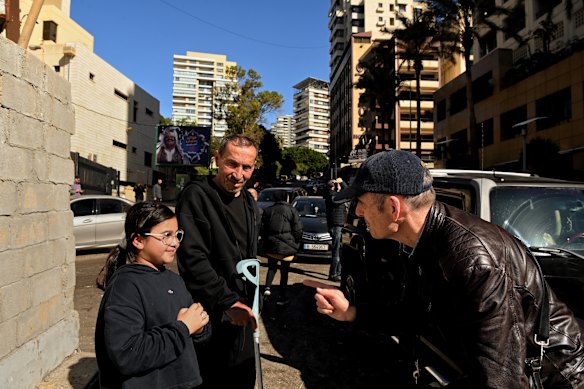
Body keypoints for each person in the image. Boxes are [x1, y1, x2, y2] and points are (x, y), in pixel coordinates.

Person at [305, 150, 584, 388]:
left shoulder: (474, 259)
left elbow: (500, 377)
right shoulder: (426, 239)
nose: (357, 213)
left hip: (555, 378)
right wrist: (352, 311)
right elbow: (412, 314)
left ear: (394, 208)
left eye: (362, 204)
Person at [94, 201, 210, 389]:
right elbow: (127, 354)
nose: (175, 242)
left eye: (177, 234)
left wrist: (200, 328)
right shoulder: (125, 286)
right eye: (166, 236)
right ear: (138, 240)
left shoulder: (175, 281)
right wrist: (183, 328)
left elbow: (196, 331)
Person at [176, 134, 261, 389]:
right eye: (231, 164)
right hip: (210, 313)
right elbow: (192, 259)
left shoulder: (247, 201)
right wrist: (227, 301)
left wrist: (251, 301)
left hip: (243, 312)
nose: (239, 175)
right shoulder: (196, 196)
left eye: (247, 167)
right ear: (217, 159)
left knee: (243, 378)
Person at [261, 189, 303, 306]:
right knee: (284, 271)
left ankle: (267, 288)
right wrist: (295, 242)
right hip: (287, 246)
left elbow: (263, 228)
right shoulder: (292, 210)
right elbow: (298, 229)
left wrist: (266, 240)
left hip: (272, 245)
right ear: (286, 198)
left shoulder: (268, 210)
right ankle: (281, 296)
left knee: (271, 267)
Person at [324, 177, 347, 281]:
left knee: (339, 251)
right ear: (333, 186)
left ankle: (337, 272)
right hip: (336, 225)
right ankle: (334, 274)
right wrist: (341, 183)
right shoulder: (331, 195)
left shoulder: (333, 194)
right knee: (336, 251)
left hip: (338, 224)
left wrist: (341, 183)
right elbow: (346, 194)